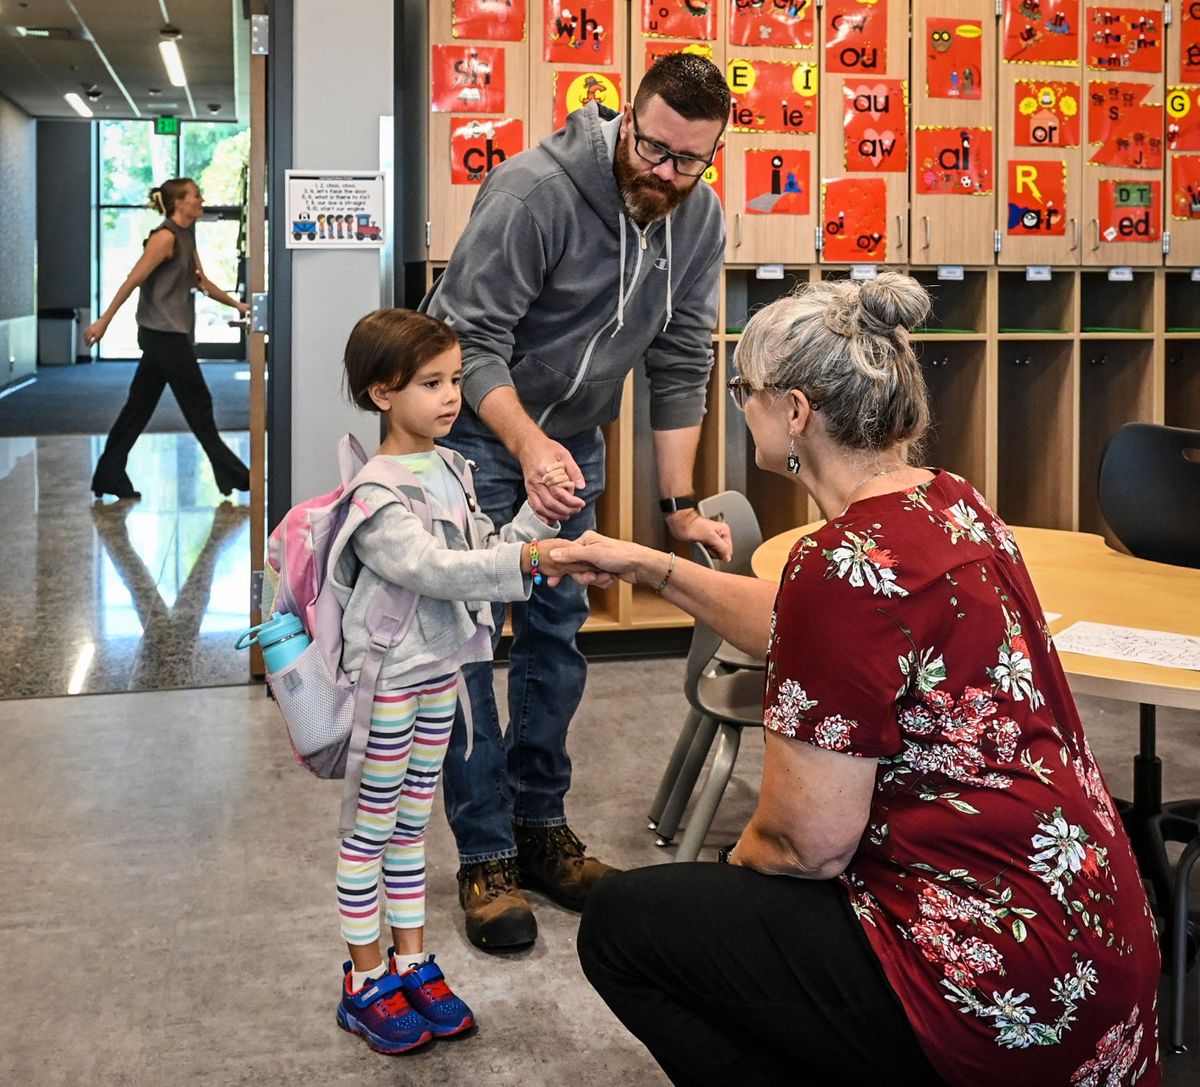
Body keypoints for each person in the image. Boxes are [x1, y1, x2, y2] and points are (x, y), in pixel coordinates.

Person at [565, 273, 1163, 1086]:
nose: (740, 407)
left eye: (745, 391)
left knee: (627, 924)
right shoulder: (952, 504)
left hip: (997, 980)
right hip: (1091, 936)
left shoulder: (836, 565)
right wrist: (649, 564)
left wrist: (738, 888)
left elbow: (803, 844)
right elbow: (805, 622)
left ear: (796, 413)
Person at [420, 51, 735, 951]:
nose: (664, 172)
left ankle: (540, 829)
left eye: (688, 160)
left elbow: (680, 358)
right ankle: (484, 856)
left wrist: (676, 503)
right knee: (471, 648)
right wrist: (527, 444)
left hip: (574, 448)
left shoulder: (699, 216)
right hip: (479, 437)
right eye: (652, 147)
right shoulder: (535, 194)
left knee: (555, 640)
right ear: (624, 117)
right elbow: (468, 342)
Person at [331, 308, 578, 1055]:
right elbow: (435, 572)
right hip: (390, 685)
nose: (451, 397)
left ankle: (411, 962)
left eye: (456, 380)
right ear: (381, 394)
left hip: (442, 677)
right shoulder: (376, 491)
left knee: (411, 829)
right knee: (368, 834)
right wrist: (528, 562)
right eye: (431, 383)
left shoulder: (451, 468)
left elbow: (487, 556)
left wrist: (537, 516)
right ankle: (364, 977)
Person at [83, 178, 250, 501]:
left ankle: (109, 474)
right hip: (162, 335)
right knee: (198, 402)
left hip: (170, 333)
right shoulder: (164, 238)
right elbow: (133, 280)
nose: (201, 199)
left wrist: (238, 305)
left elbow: (201, 281)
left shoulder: (186, 236)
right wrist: (103, 322)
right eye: (196, 195)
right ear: (179, 203)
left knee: (139, 406)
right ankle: (233, 474)